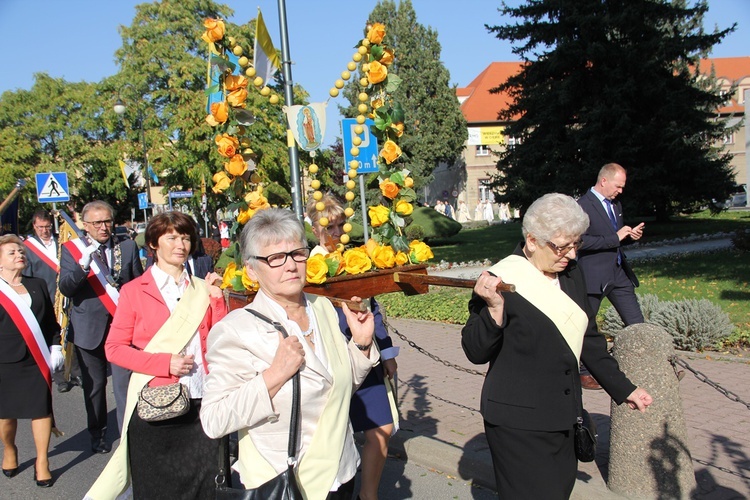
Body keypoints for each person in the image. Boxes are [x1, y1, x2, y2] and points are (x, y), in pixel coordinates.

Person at [461, 193, 652, 500]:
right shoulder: (501, 278)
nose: (572, 254)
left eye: (576, 244)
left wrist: (625, 389)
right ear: (533, 240)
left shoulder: (572, 273)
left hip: (564, 416)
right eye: (563, 246)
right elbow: (475, 350)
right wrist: (494, 309)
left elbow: (587, 338)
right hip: (517, 422)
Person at [201, 208, 379, 499]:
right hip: (281, 482)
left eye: (297, 253)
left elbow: (333, 387)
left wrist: (360, 345)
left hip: (339, 473)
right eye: (274, 258)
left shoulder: (321, 308)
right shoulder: (236, 330)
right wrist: (274, 375)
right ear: (250, 269)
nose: (290, 266)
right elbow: (214, 420)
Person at [84, 212, 227, 499]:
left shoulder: (202, 287)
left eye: (186, 237)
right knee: (158, 488)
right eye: (172, 237)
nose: (181, 244)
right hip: (158, 404)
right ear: (153, 243)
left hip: (204, 400)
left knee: (207, 488)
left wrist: (216, 300)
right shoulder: (134, 291)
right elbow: (115, 348)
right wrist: (164, 363)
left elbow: (220, 338)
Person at [308, 196, 399, 500]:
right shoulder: (311, 268)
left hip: (365, 354)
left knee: (382, 428)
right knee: (332, 435)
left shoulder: (354, 258)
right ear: (314, 228)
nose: (335, 232)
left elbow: (372, 306)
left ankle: (368, 495)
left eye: (339, 225)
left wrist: (385, 352)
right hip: (332, 359)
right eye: (328, 226)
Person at [58, 201, 143, 453]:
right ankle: (98, 433)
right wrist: (83, 267)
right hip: (88, 329)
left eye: (107, 221)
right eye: (97, 223)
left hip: (122, 326)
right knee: (94, 387)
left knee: (125, 383)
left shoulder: (126, 247)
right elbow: (66, 288)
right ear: (85, 226)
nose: (104, 227)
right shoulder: (72, 250)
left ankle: (130, 432)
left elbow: (138, 285)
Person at [0, 235, 63, 487]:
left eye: (21, 251)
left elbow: (49, 320)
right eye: (12, 252)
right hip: (4, 361)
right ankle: (9, 448)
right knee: (5, 416)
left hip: (36, 359)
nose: (19, 255)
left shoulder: (36, 284)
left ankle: (42, 461)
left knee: (41, 410)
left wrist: (56, 345)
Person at [577, 163, 645, 389]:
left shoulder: (615, 204)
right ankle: (585, 372)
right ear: (604, 180)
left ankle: (651, 368)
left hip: (618, 273)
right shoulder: (582, 206)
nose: (620, 191)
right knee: (586, 326)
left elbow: (614, 235)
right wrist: (615, 238)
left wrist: (630, 235)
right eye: (618, 186)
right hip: (593, 276)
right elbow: (580, 241)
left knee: (637, 324)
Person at [22, 210, 83, 393]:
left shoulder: (62, 242)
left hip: (67, 296)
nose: (44, 231)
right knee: (54, 337)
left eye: (47, 226)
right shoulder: (29, 248)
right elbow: (28, 276)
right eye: (40, 227)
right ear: (34, 226)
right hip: (46, 298)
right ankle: (60, 377)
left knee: (72, 335)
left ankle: (76, 372)